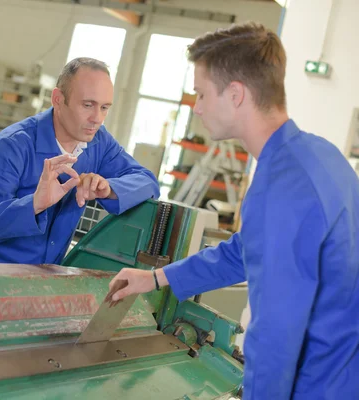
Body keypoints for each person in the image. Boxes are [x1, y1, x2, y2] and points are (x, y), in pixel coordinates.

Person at [109, 22, 359, 398]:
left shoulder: (284, 185)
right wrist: (156, 279)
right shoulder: (319, 155)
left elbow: (277, 330)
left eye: (202, 93)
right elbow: (245, 251)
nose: (198, 107)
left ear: (236, 94)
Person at [0, 58, 160, 264]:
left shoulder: (99, 142)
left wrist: (109, 188)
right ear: (57, 99)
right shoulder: (13, 145)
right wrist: (34, 204)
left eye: (105, 107)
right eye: (88, 105)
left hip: (43, 280)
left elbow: (147, 182)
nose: (97, 118)